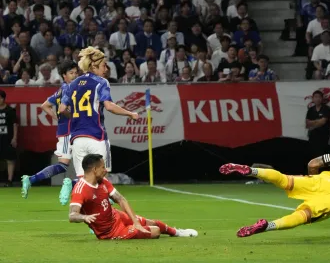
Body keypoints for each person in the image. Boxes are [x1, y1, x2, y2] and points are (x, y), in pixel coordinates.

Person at [58, 46, 139, 205]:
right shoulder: (101, 82)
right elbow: (109, 106)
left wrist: (76, 115)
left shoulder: (72, 84)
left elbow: (61, 109)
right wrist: (130, 113)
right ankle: (105, 219)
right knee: (102, 180)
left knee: (84, 181)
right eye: (103, 65)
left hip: (77, 138)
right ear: (93, 66)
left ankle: (78, 197)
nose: (106, 69)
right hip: (96, 136)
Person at [69, 154, 198, 239]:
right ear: (94, 170)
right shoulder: (80, 190)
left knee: (151, 222)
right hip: (110, 232)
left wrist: (135, 222)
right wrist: (84, 217)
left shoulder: (103, 181)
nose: (106, 170)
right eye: (103, 167)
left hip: (116, 216)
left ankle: (177, 232)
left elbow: (120, 199)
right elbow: (72, 215)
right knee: (155, 231)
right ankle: (139, 230)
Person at [21, 61, 79, 199]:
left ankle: (31, 179)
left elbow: (45, 105)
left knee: (85, 163)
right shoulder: (68, 89)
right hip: (69, 131)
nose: (75, 75)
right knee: (67, 165)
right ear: (64, 75)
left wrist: (56, 117)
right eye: (71, 73)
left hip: (72, 130)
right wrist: (64, 117)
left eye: (76, 72)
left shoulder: (62, 88)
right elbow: (56, 108)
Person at [0, 89, 18, 187]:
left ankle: (9, 180)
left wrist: (14, 138)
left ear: (3, 99)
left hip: (7, 138)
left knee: (10, 159)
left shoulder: (10, 110)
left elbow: (15, 124)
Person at [306, 90, 330, 158]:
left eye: (319, 97)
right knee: (313, 155)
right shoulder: (310, 110)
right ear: (313, 99)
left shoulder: (326, 108)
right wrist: (317, 121)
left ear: (322, 98)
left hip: (323, 136)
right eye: (316, 97)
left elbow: (323, 122)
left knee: (322, 156)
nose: (317, 99)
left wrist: (313, 124)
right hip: (312, 136)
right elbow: (307, 124)